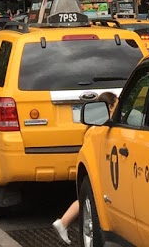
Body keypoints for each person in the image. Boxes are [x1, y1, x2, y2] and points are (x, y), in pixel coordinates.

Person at [52, 93, 118, 243]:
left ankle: (63, 222)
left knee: (86, 199)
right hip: (100, 170)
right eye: (116, 106)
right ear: (109, 107)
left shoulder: (93, 127)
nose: (119, 110)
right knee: (90, 199)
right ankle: (63, 222)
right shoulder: (102, 127)